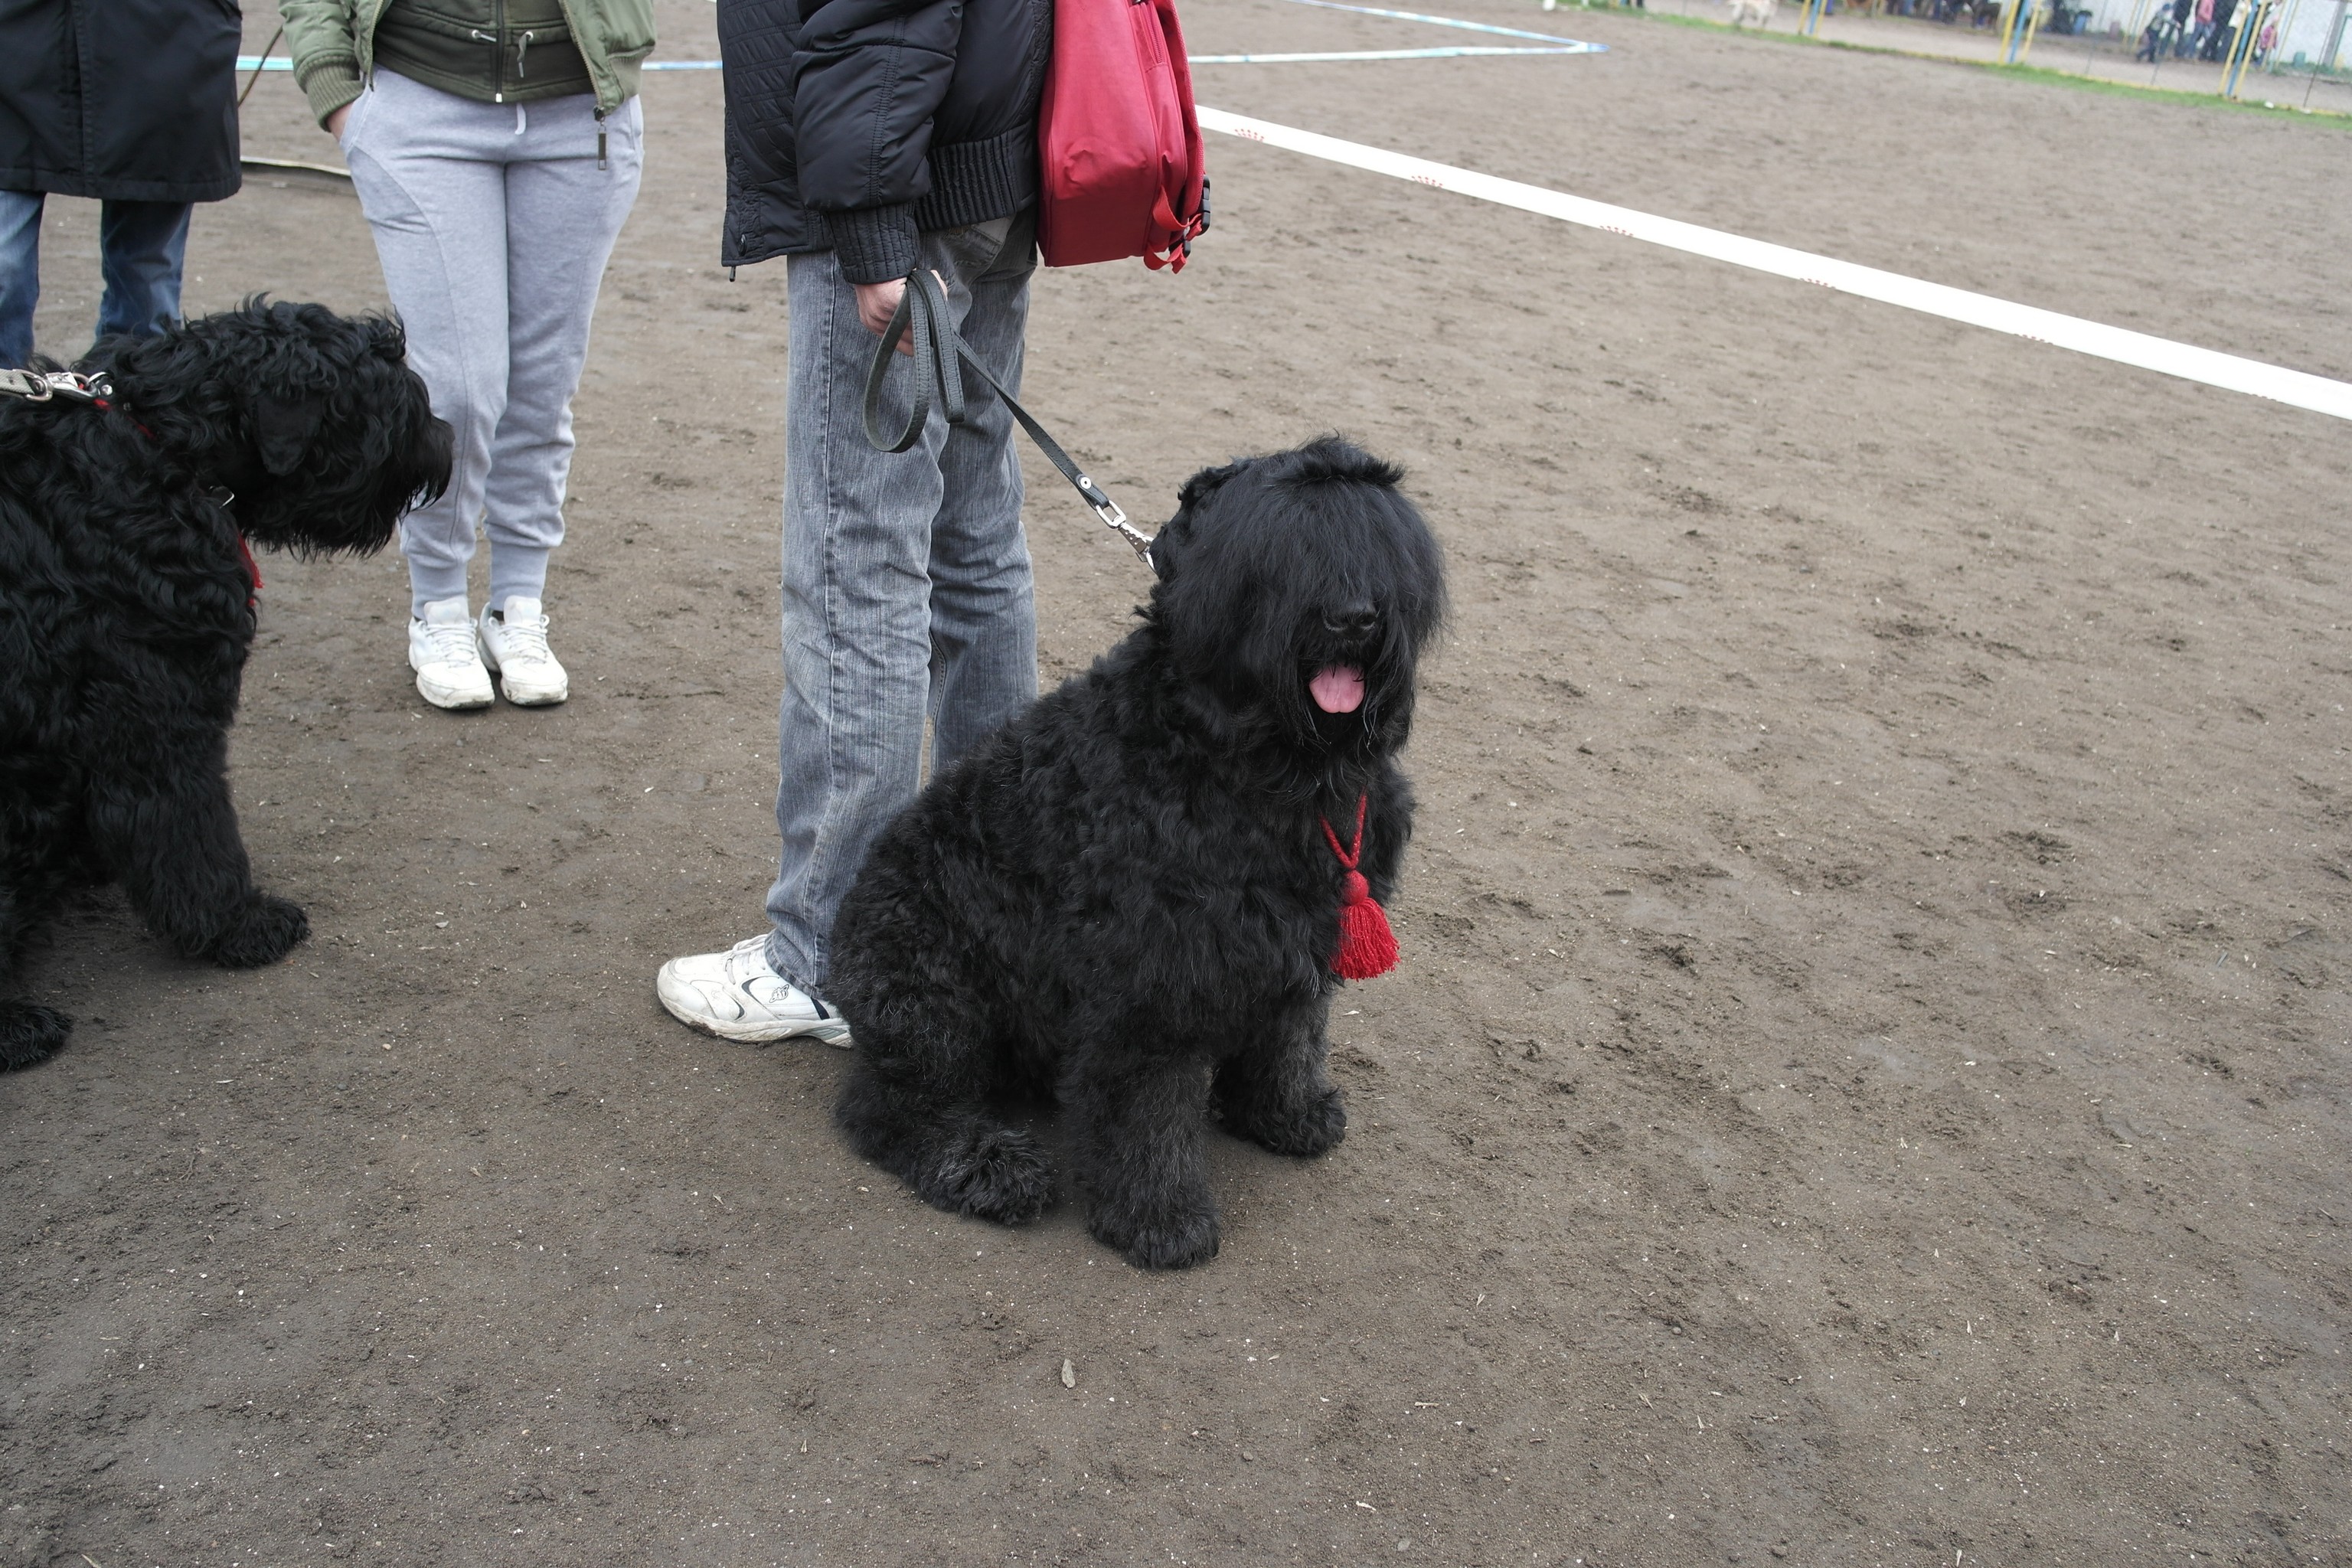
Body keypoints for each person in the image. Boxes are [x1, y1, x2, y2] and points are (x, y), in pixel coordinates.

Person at [655, 0, 1053, 1047]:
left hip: (905, 187)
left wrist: (873, 223)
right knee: (975, 549)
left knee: (859, 565)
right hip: (991, 168)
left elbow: (881, 16)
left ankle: (828, 954)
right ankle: (991, 917)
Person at [283, 0, 655, 710]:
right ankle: (438, 606)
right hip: (421, 101)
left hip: (581, 111)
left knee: (544, 383)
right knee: (454, 389)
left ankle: (517, 604)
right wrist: (336, 91)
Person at [0, 0, 242, 369]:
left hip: (167, 44)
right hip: (17, 40)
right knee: (4, 264)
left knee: (145, 279)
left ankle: (130, 397)